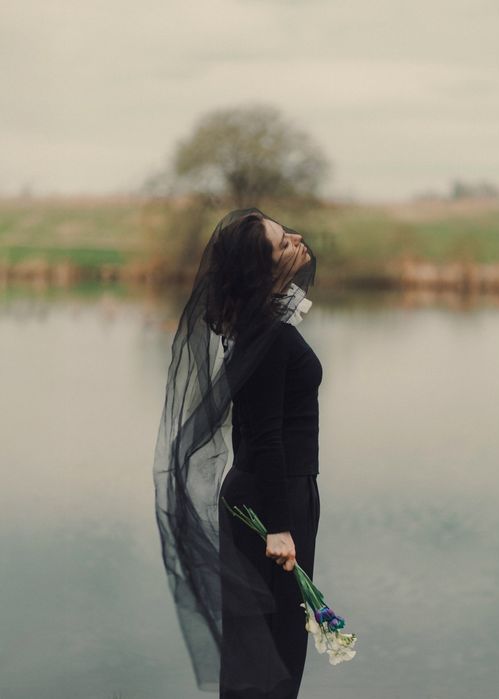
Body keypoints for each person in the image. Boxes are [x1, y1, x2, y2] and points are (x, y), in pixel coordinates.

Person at [152, 207, 321, 698]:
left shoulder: (259, 327)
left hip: (272, 494)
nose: (297, 238)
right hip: (271, 503)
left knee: (269, 648)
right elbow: (265, 438)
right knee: (271, 654)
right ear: (263, 269)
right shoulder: (267, 336)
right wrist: (280, 527)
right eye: (282, 242)